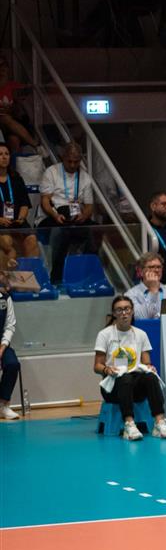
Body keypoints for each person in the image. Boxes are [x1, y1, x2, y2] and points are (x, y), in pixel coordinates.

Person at [93, 295, 166, 440]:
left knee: (150, 377)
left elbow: (147, 362)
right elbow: (97, 366)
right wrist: (107, 370)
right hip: (113, 386)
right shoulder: (104, 334)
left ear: (132, 311)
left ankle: (159, 423)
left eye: (127, 309)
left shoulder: (141, 334)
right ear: (114, 313)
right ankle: (129, 425)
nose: (124, 313)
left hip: (136, 386)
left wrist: (150, 368)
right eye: (119, 310)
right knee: (125, 379)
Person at [39, 142, 96, 284]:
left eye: (76, 162)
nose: (72, 165)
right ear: (63, 158)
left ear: (80, 160)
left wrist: (84, 216)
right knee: (62, 232)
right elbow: (45, 201)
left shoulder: (85, 178)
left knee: (95, 231)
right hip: (53, 215)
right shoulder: (51, 172)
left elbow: (89, 206)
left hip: (76, 215)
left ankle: (87, 274)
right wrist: (55, 215)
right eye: (69, 161)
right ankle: (56, 277)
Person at [0, 145, 37, 259]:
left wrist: (21, 218)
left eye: (7, 154)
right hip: (1, 223)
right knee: (7, 242)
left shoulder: (16, 178)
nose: (4, 157)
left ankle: (30, 269)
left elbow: (24, 204)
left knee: (32, 239)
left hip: (17, 222)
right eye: (0, 154)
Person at [125, 252, 166, 319]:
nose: (156, 270)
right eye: (151, 267)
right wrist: (153, 291)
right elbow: (141, 317)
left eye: (159, 267)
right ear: (141, 271)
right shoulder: (131, 295)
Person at [0, 268, 18, 420]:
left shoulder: (5, 299)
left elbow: (10, 326)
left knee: (12, 364)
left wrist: (2, 347)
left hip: (2, 344)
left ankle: (3, 405)